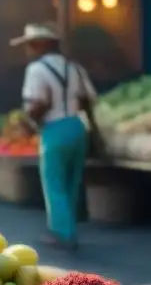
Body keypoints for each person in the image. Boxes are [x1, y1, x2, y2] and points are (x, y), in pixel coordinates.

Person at [12, 23, 99, 251]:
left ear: (42, 44)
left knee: (54, 184)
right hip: (78, 127)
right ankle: (69, 229)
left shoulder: (36, 69)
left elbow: (39, 103)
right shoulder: (75, 68)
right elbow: (88, 100)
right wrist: (95, 132)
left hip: (55, 129)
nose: (29, 49)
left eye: (31, 44)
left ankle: (62, 233)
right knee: (71, 182)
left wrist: (28, 123)